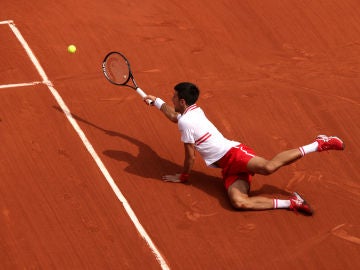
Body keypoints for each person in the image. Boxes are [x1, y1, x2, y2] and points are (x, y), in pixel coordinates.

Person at [144, 82, 345, 215]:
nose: (170, 98)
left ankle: (319, 144)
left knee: (268, 167)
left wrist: (184, 177)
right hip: (228, 167)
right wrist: (157, 101)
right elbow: (174, 116)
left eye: (172, 97)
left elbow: (190, 157)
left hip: (235, 154)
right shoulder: (193, 111)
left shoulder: (186, 122)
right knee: (239, 203)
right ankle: (293, 203)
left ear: (182, 101)